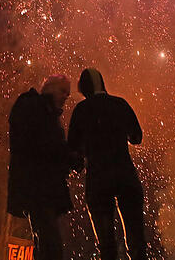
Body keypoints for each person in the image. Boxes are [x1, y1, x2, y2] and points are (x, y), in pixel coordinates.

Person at [67, 68, 146, 260]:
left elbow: (73, 153)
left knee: (107, 243)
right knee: (136, 238)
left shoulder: (81, 111)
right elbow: (136, 137)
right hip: (126, 176)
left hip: (99, 181)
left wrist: (78, 165)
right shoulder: (120, 104)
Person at [7, 75, 77, 260]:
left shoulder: (36, 109)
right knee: (50, 243)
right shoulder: (36, 108)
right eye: (63, 91)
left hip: (37, 188)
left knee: (44, 241)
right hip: (39, 188)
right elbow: (44, 144)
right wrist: (69, 156)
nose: (65, 97)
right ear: (51, 88)